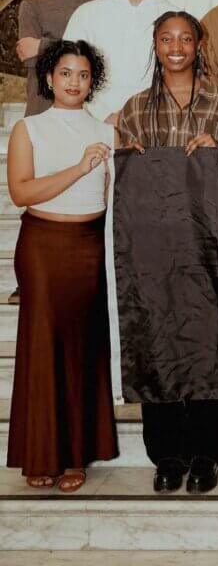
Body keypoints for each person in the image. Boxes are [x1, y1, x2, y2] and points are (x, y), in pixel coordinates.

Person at [117, 11, 218, 494]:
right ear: (155, 45)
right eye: (166, 38)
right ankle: (166, 454)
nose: (176, 46)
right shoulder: (133, 110)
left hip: (207, 243)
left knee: (205, 348)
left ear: (199, 44)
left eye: (185, 38)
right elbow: (126, 186)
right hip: (151, 247)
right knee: (159, 345)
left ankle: (207, 453)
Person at [6, 39, 117, 491]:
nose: (74, 82)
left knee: (83, 348)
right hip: (43, 246)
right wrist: (78, 167)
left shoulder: (108, 133)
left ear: (93, 83)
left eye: (84, 74)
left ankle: (77, 455)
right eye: (66, 73)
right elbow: (21, 193)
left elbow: (115, 198)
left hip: (89, 245)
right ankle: (42, 454)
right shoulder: (28, 129)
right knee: (43, 347)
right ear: (49, 78)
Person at [64, 0, 172, 123]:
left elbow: (181, 78)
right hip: (93, 124)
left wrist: (142, 120)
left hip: (156, 126)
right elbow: (68, 73)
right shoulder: (88, 14)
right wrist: (105, 116)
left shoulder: (173, 17)